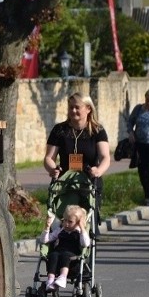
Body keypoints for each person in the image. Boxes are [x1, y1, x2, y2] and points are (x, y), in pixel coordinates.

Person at [43, 92, 111, 228]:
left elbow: (105, 157)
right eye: (70, 107)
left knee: (86, 220)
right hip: (64, 183)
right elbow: (49, 158)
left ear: (88, 108)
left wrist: (98, 170)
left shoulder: (97, 130)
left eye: (77, 107)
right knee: (62, 220)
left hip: (89, 182)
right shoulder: (59, 130)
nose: (73, 111)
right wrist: (52, 169)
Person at [39, 205, 90, 290]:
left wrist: (82, 227)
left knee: (65, 255)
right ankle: (50, 280)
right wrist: (47, 227)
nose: (66, 224)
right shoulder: (60, 230)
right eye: (64, 220)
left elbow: (85, 244)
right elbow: (45, 240)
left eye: (70, 222)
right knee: (53, 255)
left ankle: (63, 277)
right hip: (59, 251)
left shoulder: (80, 232)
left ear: (78, 222)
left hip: (73, 255)